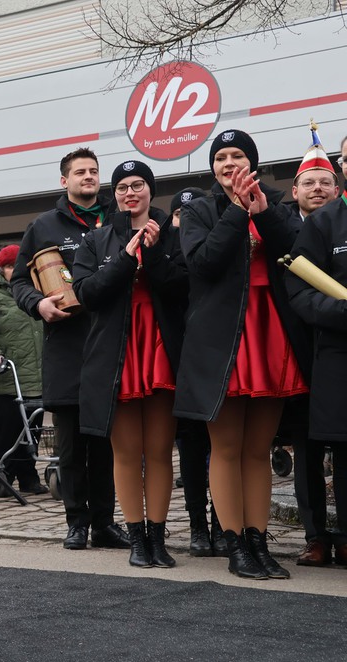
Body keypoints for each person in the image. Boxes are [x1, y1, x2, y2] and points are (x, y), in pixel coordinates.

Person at [176, 129, 307, 580]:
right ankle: (234, 544)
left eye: (237, 155)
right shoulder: (199, 210)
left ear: (252, 161)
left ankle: (258, 541)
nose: (228, 163)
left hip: (270, 332)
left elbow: (297, 252)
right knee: (227, 447)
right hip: (222, 339)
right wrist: (235, 209)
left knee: (258, 449)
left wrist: (262, 212)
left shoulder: (277, 205)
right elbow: (203, 263)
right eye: (220, 157)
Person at [10, 147, 128, 551]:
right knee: (71, 446)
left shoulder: (119, 218)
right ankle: (76, 522)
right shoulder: (43, 225)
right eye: (80, 172)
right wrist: (38, 304)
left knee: (105, 445)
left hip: (112, 345)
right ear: (64, 180)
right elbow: (18, 281)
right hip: (66, 349)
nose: (88, 177)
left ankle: (105, 523)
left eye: (93, 171)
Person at [72, 161, 187, 568]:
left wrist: (153, 254)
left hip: (161, 349)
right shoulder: (96, 240)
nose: (130, 192)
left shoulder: (173, 234)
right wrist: (125, 256)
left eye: (138, 185)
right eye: (122, 187)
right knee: (125, 452)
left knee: (159, 451)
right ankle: (136, 538)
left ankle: (157, 538)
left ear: (150, 191)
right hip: (115, 354)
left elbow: (182, 287)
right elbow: (87, 294)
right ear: (115, 195)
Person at [280, 127, 343, 567]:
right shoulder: (283, 227)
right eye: (309, 182)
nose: (317, 188)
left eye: (324, 182)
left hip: (336, 350)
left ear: (335, 187)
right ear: (295, 190)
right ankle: (316, 536)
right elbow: (296, 291)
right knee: (306, 449)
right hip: (300, 352)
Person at [0, 244, 48, 495]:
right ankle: (3, 473)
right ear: (0, 268)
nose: (15, 270)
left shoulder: (35, 291)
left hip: (34, 375)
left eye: (19, 265)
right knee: (8, 431)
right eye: (9, 266)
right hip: (5, 376)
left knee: (32, 428)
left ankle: (28, 476)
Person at [167, 187, 218, 558]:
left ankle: (224, 522)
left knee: (223, 446)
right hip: (179, 359)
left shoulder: (212, 248)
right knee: (191, 445)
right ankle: (198, 524)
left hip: (214, 356)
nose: (183, 220)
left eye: (191, 213)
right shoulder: (164, 253)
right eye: (177, 214)